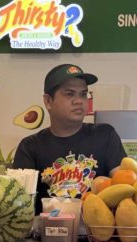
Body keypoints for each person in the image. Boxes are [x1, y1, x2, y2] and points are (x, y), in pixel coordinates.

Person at [13, 64, 127, 209]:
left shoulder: (106, 135)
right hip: (47, 223)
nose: (79, 101)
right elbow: (19, 207)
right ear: (48, 101)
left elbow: (124, 185)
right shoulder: (30, 147)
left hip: (96, 223)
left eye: (83, 94)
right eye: (69, 94)